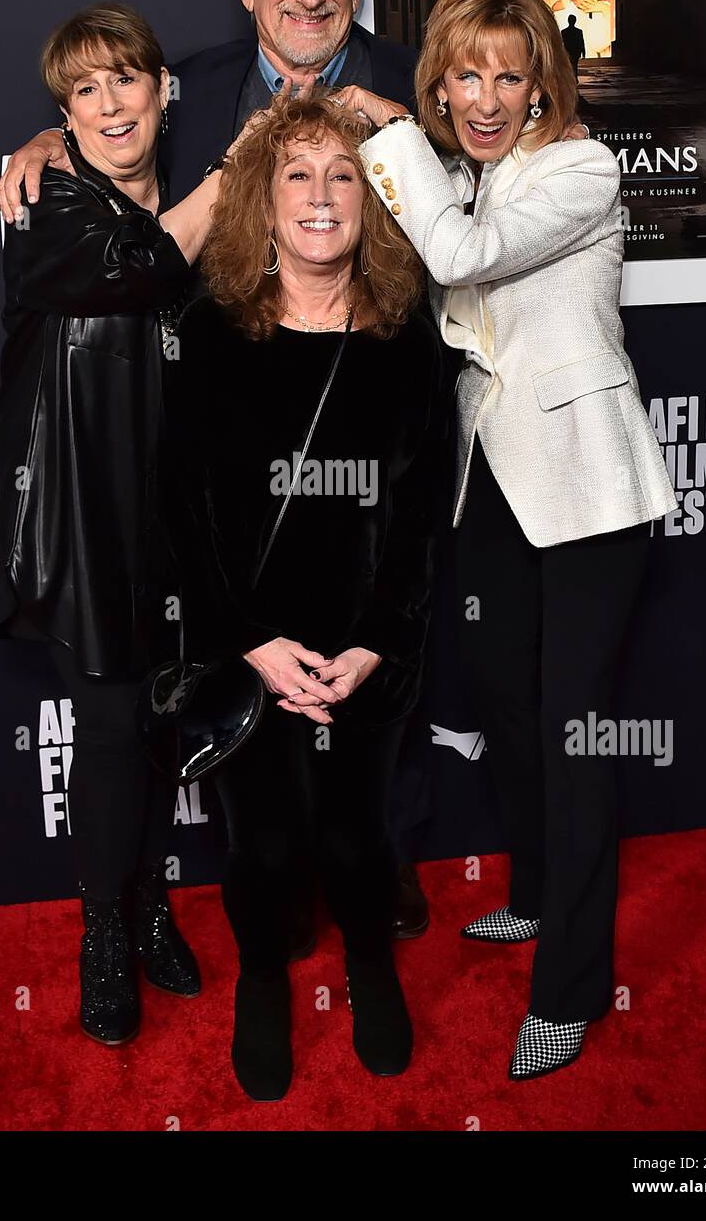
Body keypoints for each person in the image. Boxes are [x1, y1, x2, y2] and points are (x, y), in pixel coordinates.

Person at [0, 0, 432, 942]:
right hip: (217, 436)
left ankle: (373, 862)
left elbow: (498, 165)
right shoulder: (189, 93)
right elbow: (113, 160)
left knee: (375, 654)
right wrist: (42, 146)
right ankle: (259, 882)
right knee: (245, 659)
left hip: (360, 419)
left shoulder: (409, 88)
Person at [329, 0, 678, 1081]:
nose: (483, 96)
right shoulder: (471, 183)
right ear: (440, 80)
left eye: (506, 76)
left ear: (540, 86)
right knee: (508, 708)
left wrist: (391, 136)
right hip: (491, 487)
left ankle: (571, 988)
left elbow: (460, 263)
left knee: (573, 736)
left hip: (582, 490)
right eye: (460, 75)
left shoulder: (577, 168)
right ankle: (533, 893)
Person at [164, 96, 443, 1101]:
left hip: (362, 651)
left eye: (342, 177)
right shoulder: (209, 334)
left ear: (370, 202)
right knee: (265, 842)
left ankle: (371, 968)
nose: (321, 197)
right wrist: (248, 644)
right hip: (251, 649)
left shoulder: (405, 340)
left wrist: (374, 642)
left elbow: (418, 518)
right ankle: (262, 984)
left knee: (357, 835)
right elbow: (182, 515)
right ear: (263, 201)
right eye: (298, 175)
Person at [0, 2, 251, 1047]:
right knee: (105, 732)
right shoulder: (45, 199)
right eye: (82, 92)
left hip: (180, 519)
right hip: (90, 520)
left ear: (158, 90)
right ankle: (105, 934)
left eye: (124, 82)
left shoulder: (178, 195)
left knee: (155, 720)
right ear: (62, 111)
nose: (108, 106)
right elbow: (135, 265)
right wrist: (231, 177)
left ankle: (149, 905)